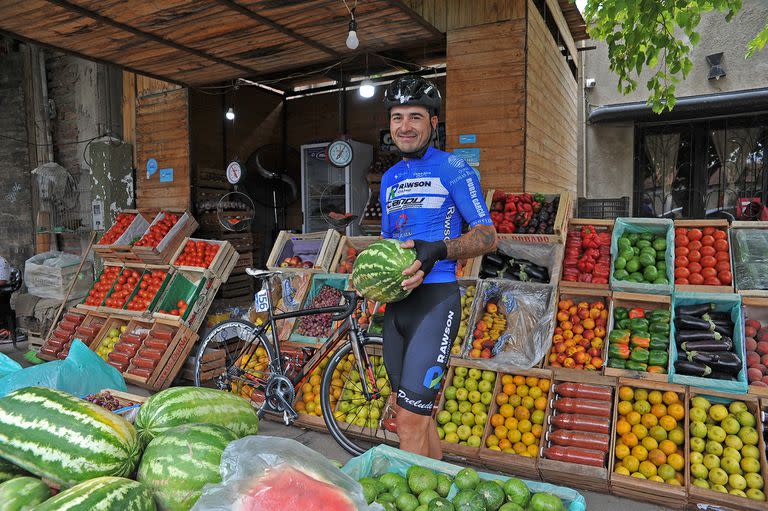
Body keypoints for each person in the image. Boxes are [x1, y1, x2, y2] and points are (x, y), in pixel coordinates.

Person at [378, 75, 497, 458]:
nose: (405, 126)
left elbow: (487, 236)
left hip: (435, 302)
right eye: (397, 118)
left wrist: (439, 250)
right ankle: (439, 489)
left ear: (433, 123)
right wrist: (370, 281)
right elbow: (387, 244)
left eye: (415, 116)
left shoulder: (454, 168)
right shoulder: (389, 178)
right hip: (397, 305)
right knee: (412, 413)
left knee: (409, 423)